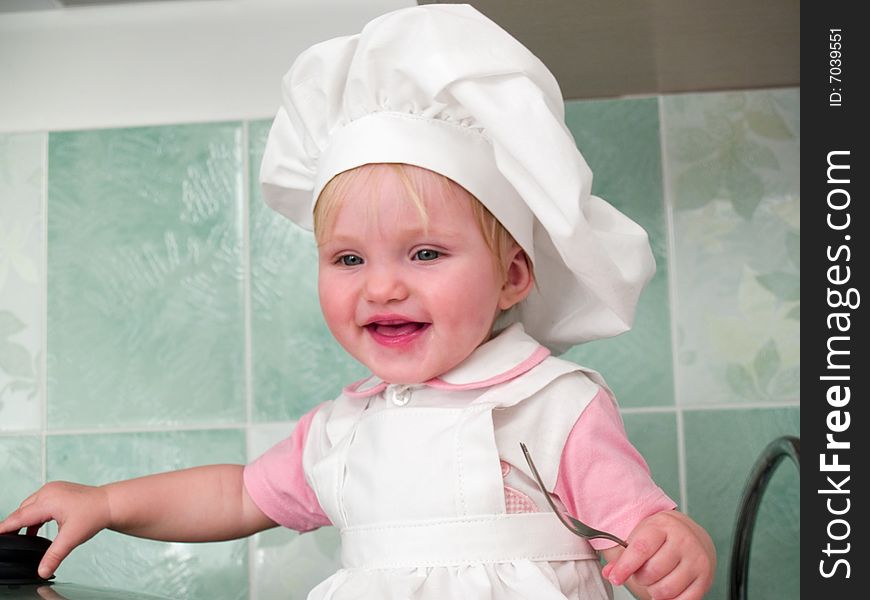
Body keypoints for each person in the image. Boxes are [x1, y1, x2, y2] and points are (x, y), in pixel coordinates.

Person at [0, 5, 715, 599]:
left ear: (514, 276)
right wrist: (106, 502)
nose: (380, 286)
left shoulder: (555, 404)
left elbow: (642, 523)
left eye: (425, 253)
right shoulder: (343, 431)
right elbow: (238, 496)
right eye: (348, 259)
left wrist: (672, 544)